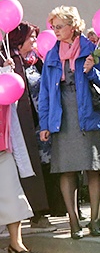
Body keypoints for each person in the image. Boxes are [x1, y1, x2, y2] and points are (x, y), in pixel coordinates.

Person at [38, 6, 100, 239]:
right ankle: (74, 223)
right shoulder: (51, 55)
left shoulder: (91, 49)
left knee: (94, 167)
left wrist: (90, 71)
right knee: (66, 170)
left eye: (59, 26)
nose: (55, 31)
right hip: (62, 116)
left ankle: (96, 222)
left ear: (73, 26)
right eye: (53, 27)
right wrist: (45, 123)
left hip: (89, 113)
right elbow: (47, 92)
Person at [7, 23, 54, 231]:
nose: (35, 42)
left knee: (46, 168)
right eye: (31, 38)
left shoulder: (36, 62)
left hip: (40, 124)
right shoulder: (10, 61)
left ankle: (50, 209)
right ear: (19, 41)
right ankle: (36, 215)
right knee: (27, 169)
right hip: (20, 125)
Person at [0, 95, 35, 253]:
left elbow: (11, 99)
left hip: (3, 149)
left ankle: (16, 243)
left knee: (13, 195)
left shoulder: (3, 80)